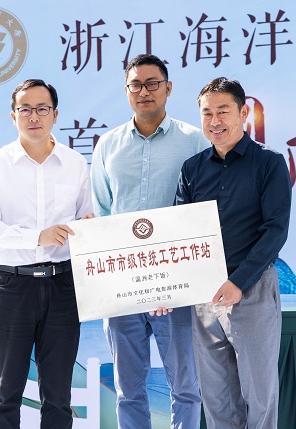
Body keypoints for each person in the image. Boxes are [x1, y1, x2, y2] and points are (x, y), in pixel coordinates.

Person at [90, 54, 208, 429]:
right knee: (128, 390)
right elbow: (102, 211)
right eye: (136, 85)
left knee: (186, 388)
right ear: (127, 91)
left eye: (152, 83)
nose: (144, 91)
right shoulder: (107, 145)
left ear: (168, 88)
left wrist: (182, 278)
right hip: (122, 284)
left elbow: (203, 213)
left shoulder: (194, 141)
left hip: (176, 284)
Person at [0, 78, 93, 429]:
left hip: (63, 285)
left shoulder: (75, 163)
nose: (34, 116)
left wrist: (89, 227)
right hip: (13, 285)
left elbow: (86, 219)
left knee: (58, 396)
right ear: (13, 116)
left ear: (55, 114)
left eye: (42, 108)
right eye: (25, 109)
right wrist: (37, 238)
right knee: (6, 391)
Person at [175, 77, 292, 429]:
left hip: (251, 288)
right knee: (217, 400)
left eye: (223, 111)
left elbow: (275, 230)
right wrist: (166, 287)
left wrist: (238, 281)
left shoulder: (269, 162)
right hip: (205, 295)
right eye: (206, 113)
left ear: (243, 113)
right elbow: (179, 234)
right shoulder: (192, 168)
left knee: (260, 397)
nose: (214, 121)